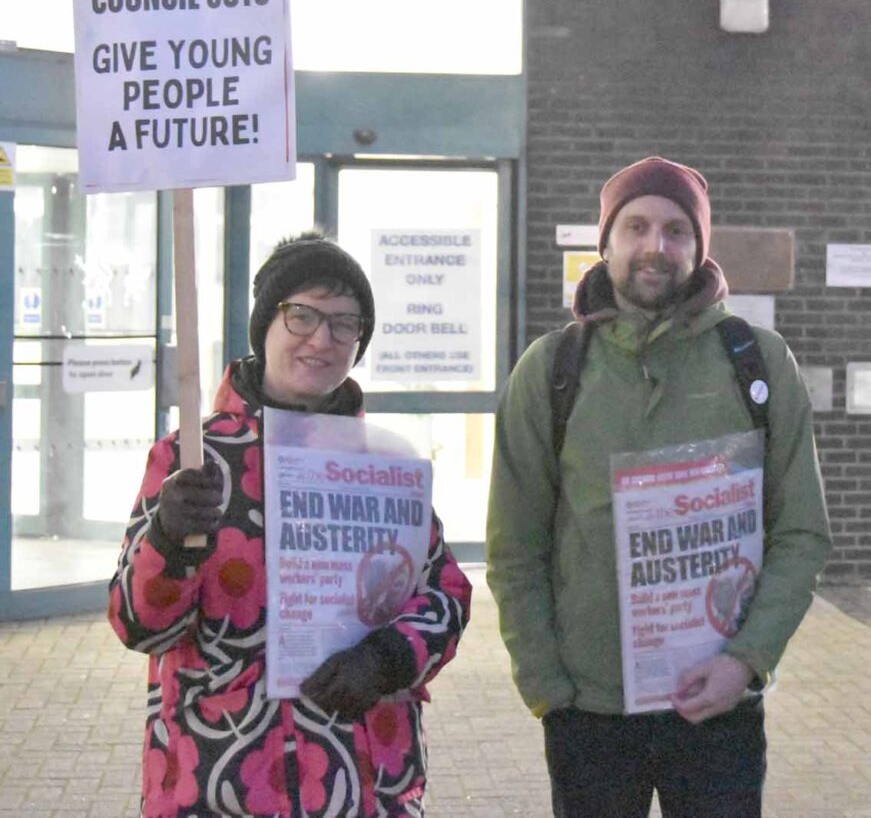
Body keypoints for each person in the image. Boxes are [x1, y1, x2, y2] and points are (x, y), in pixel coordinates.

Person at [486, 157, 831, 818]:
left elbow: (799, 534)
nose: (655, 245)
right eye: (635, 225)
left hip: (718, 702)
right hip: (588, 710)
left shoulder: (755, 361)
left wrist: (745, 662)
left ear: (698, 247)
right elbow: (513, 546)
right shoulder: (550, 369)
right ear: (606, 241)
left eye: (676, 231)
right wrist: (546, 687)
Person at [109, 232, 472, 818]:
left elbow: (445, 594)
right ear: (265, 325)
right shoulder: (193, 459)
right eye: (301, 315)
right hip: (217, 773)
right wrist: (169, 541)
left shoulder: (383, 462)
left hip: (361, 776)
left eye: (344, 323)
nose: (321, 339)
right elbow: (138, 626)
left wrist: (388, 659)